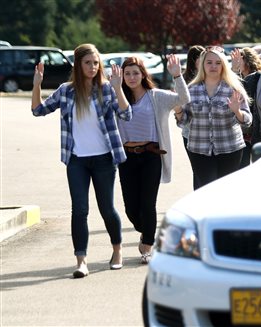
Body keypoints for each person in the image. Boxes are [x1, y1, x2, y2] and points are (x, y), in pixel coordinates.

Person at [31, 43, 132, 278]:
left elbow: (126, 114)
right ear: (78, 65)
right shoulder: (66, 91)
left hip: (104, 159)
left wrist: (118, 88)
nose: (93, 67)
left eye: (96, 63)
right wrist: (37, 84)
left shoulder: (106, 89)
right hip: (76, 160)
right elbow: (38, 110)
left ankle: (117, 251)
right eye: (88, 63)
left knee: (107, 209)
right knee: (80, 210)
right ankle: (81, 261)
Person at [117, 54, 190, 264]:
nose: (131, 77)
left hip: (151, 155)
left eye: (135, 73)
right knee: (131, 208)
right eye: (127, 73)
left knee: (148, 204)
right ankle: (147, 231)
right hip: (126, 157)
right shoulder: (118, 96)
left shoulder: (156, 96)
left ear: (143, 74)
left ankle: (147, 246)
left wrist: (177, 76)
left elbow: (183, 100)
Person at [176, 46, 252, 189]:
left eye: (218, 63)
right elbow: (184, 121)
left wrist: (237, 112)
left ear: (223, 66)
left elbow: (247, 120)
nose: (213, 66)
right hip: (199, 149)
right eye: (209, 62)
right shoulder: (191, 90)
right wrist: (178, 110)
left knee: (225, 190)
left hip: (230, 148)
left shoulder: (233, 88)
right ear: (202, 65)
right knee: (207, 188)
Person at [230, 47, 261, 167]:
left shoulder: (260, 77)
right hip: (242, 131)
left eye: (240, 59)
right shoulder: (233, 77)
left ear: (248, 61)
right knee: (242, 166)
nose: (237, 62)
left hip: (257, 128)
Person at [180, 45, 205, 190]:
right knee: (198, 170)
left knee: (203, 170)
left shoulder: (207, 76)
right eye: (202, 58)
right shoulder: (185, 80)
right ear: (195, 60)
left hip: (204, 131)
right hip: (190, 132)